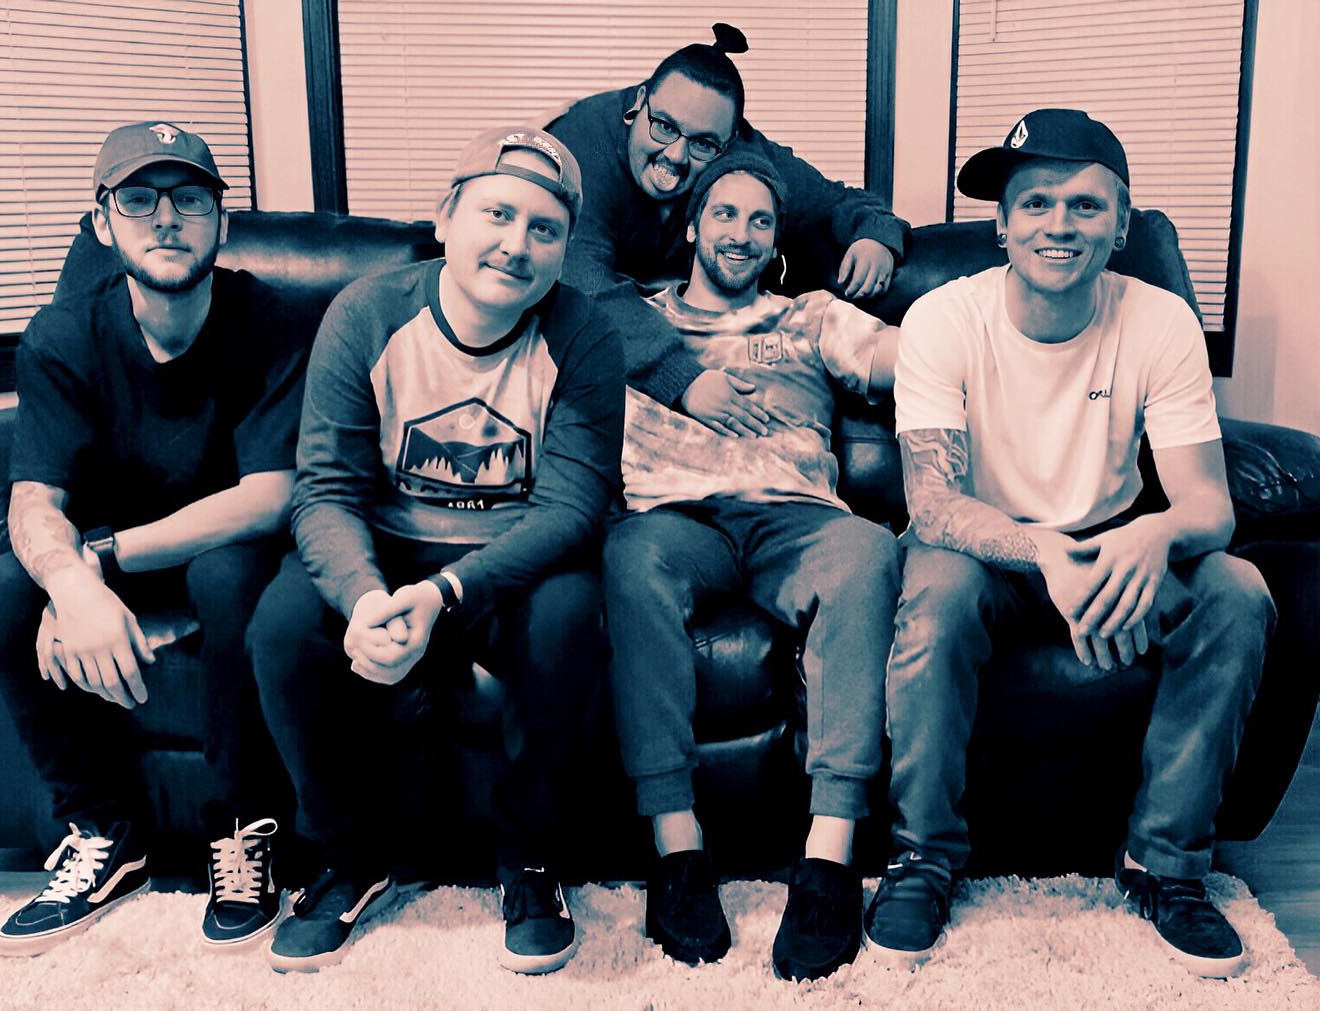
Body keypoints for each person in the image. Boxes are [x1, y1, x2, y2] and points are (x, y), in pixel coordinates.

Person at [865, 109, 1275, 978]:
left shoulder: (1160, 320)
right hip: (985, 549)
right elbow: (931, 506)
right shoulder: (943, 319)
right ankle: (922, 856)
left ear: (1121, 226)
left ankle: (1166, 865)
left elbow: (1210, 506)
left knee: (1237, 591)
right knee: (935, 591)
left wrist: (1156, 531)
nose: (1059, 224)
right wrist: (1045, 551)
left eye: (1086, 205)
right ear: (1002, 225)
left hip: (1112, 543)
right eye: (1036, 203)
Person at [246, 126, 624, 976]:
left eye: (544, 229)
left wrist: (445, 593)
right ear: (446, 217)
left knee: (568, 614)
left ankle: (531, 860)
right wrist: (364, 599)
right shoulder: (366, 313)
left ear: (564, 251)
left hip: (511, 564)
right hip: (383, 553)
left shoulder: (585, 335)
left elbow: (573, 509)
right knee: (281, 625)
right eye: (497, 214)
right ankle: (350, 856)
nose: (516, 244)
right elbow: (325, 489)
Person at [0, 122, 308, 955]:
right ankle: (103, 831)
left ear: (222, 221)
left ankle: (244, 828)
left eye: (189, 198)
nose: (166, 217)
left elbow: (269, 498)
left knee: (230, 577)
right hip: (110, 555)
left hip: (223, 548)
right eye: (139, 199)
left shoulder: (271, 320)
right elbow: (34, 500)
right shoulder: (63, 335)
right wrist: (70, 586)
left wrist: (99, 557)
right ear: (101, 221)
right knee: (0, 591)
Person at [603, 153, 901, 981]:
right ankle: (677, 850)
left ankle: (829, 857)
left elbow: (906, 356)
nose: (741, 233)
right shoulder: (633, 322)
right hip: (674, 518)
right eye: (725, 214)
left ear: (776, 242)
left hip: (794, 516)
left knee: (869, 549)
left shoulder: (810, 315)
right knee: (628, 558)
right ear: (692, 226)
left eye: (760, 220)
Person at [545, 24, 912, 442]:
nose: (675, 155)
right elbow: (578, 279)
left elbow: (836, 201)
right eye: (663, 126)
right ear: (640, 101)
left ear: (731, 141)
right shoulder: (580, 144)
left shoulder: (742, 152)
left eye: (703, 144)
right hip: (621, 346)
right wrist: (682, 378)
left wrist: (875, 236)